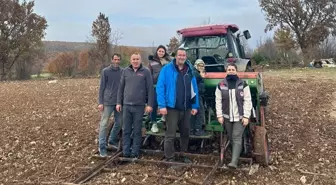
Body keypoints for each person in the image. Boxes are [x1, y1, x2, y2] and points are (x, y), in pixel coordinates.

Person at [156, 48, 199, 163]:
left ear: (186, 57)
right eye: (179, 55)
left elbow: (194, 89)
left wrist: (195, 106)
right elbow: (160, 87)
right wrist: (162, 105)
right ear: (176, 56)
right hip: (172, 108)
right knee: (170, 133)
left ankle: (183, 154)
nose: (181, 57)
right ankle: (169, 157)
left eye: (183, 55)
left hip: (186, 107)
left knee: (185, 133)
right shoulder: (166, 69)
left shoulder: (189, 70)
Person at [116, 52, 154, 158]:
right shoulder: (125, 71)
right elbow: (121, 88)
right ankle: (126, 151)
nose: (135, 61)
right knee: (126, 129)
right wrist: (119, 102)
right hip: (126, 105)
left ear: (140, 60)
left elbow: (150, 89)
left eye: (137, 59)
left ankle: (135, 152)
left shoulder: (145, 72)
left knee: (137, 130)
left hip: (139, 106)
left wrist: (150, 104)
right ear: (130, 60)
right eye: (133, 59)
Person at [215, 63, 252, 168]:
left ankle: (234, 162)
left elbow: (248, 100)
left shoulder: (243, 84)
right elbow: (218, 101)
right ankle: (236, 156)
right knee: (231, 138)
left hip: (240, 117)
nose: (231, 71)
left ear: (236, 71)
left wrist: (246, 116)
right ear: (226, 71)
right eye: (229, 69)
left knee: (236, 137)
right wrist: (219, 115)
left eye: (233, 69)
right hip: (226, 117)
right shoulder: (221, 85)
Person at [97, 53, 123, 157]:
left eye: (118, 60)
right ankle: (102, 147)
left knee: (119, 122)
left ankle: (112, 140)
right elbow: (102, 87)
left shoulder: (122, 71)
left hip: (119, 102)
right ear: (112, 60)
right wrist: (100, 102)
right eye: (115, 59)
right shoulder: (105, 71)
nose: (116, 61)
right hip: (108, 102)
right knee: (104, 124)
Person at [147, 45, 171, 133]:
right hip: (155, 85)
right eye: (159, 51)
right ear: (157, 52)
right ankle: (154, 123)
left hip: (166, 86)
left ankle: (164, 117)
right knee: (154, 104)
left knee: (167, 102)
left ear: (165, 53)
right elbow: (149, 74)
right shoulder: (152, 62)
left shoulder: (169, 61)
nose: (161, 53)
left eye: (162, 51)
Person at [190, 59, 206, 136]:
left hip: (197, 95)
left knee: (194, 112)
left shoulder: (197, 72)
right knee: (199, 112)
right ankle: (197, 130)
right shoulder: (195, 73)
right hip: (196, 95)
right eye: (199, 65)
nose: (201, 67)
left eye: (202, 65)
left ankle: (191, 129)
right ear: (196, 65)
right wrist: (201, 76)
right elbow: (194, 81)